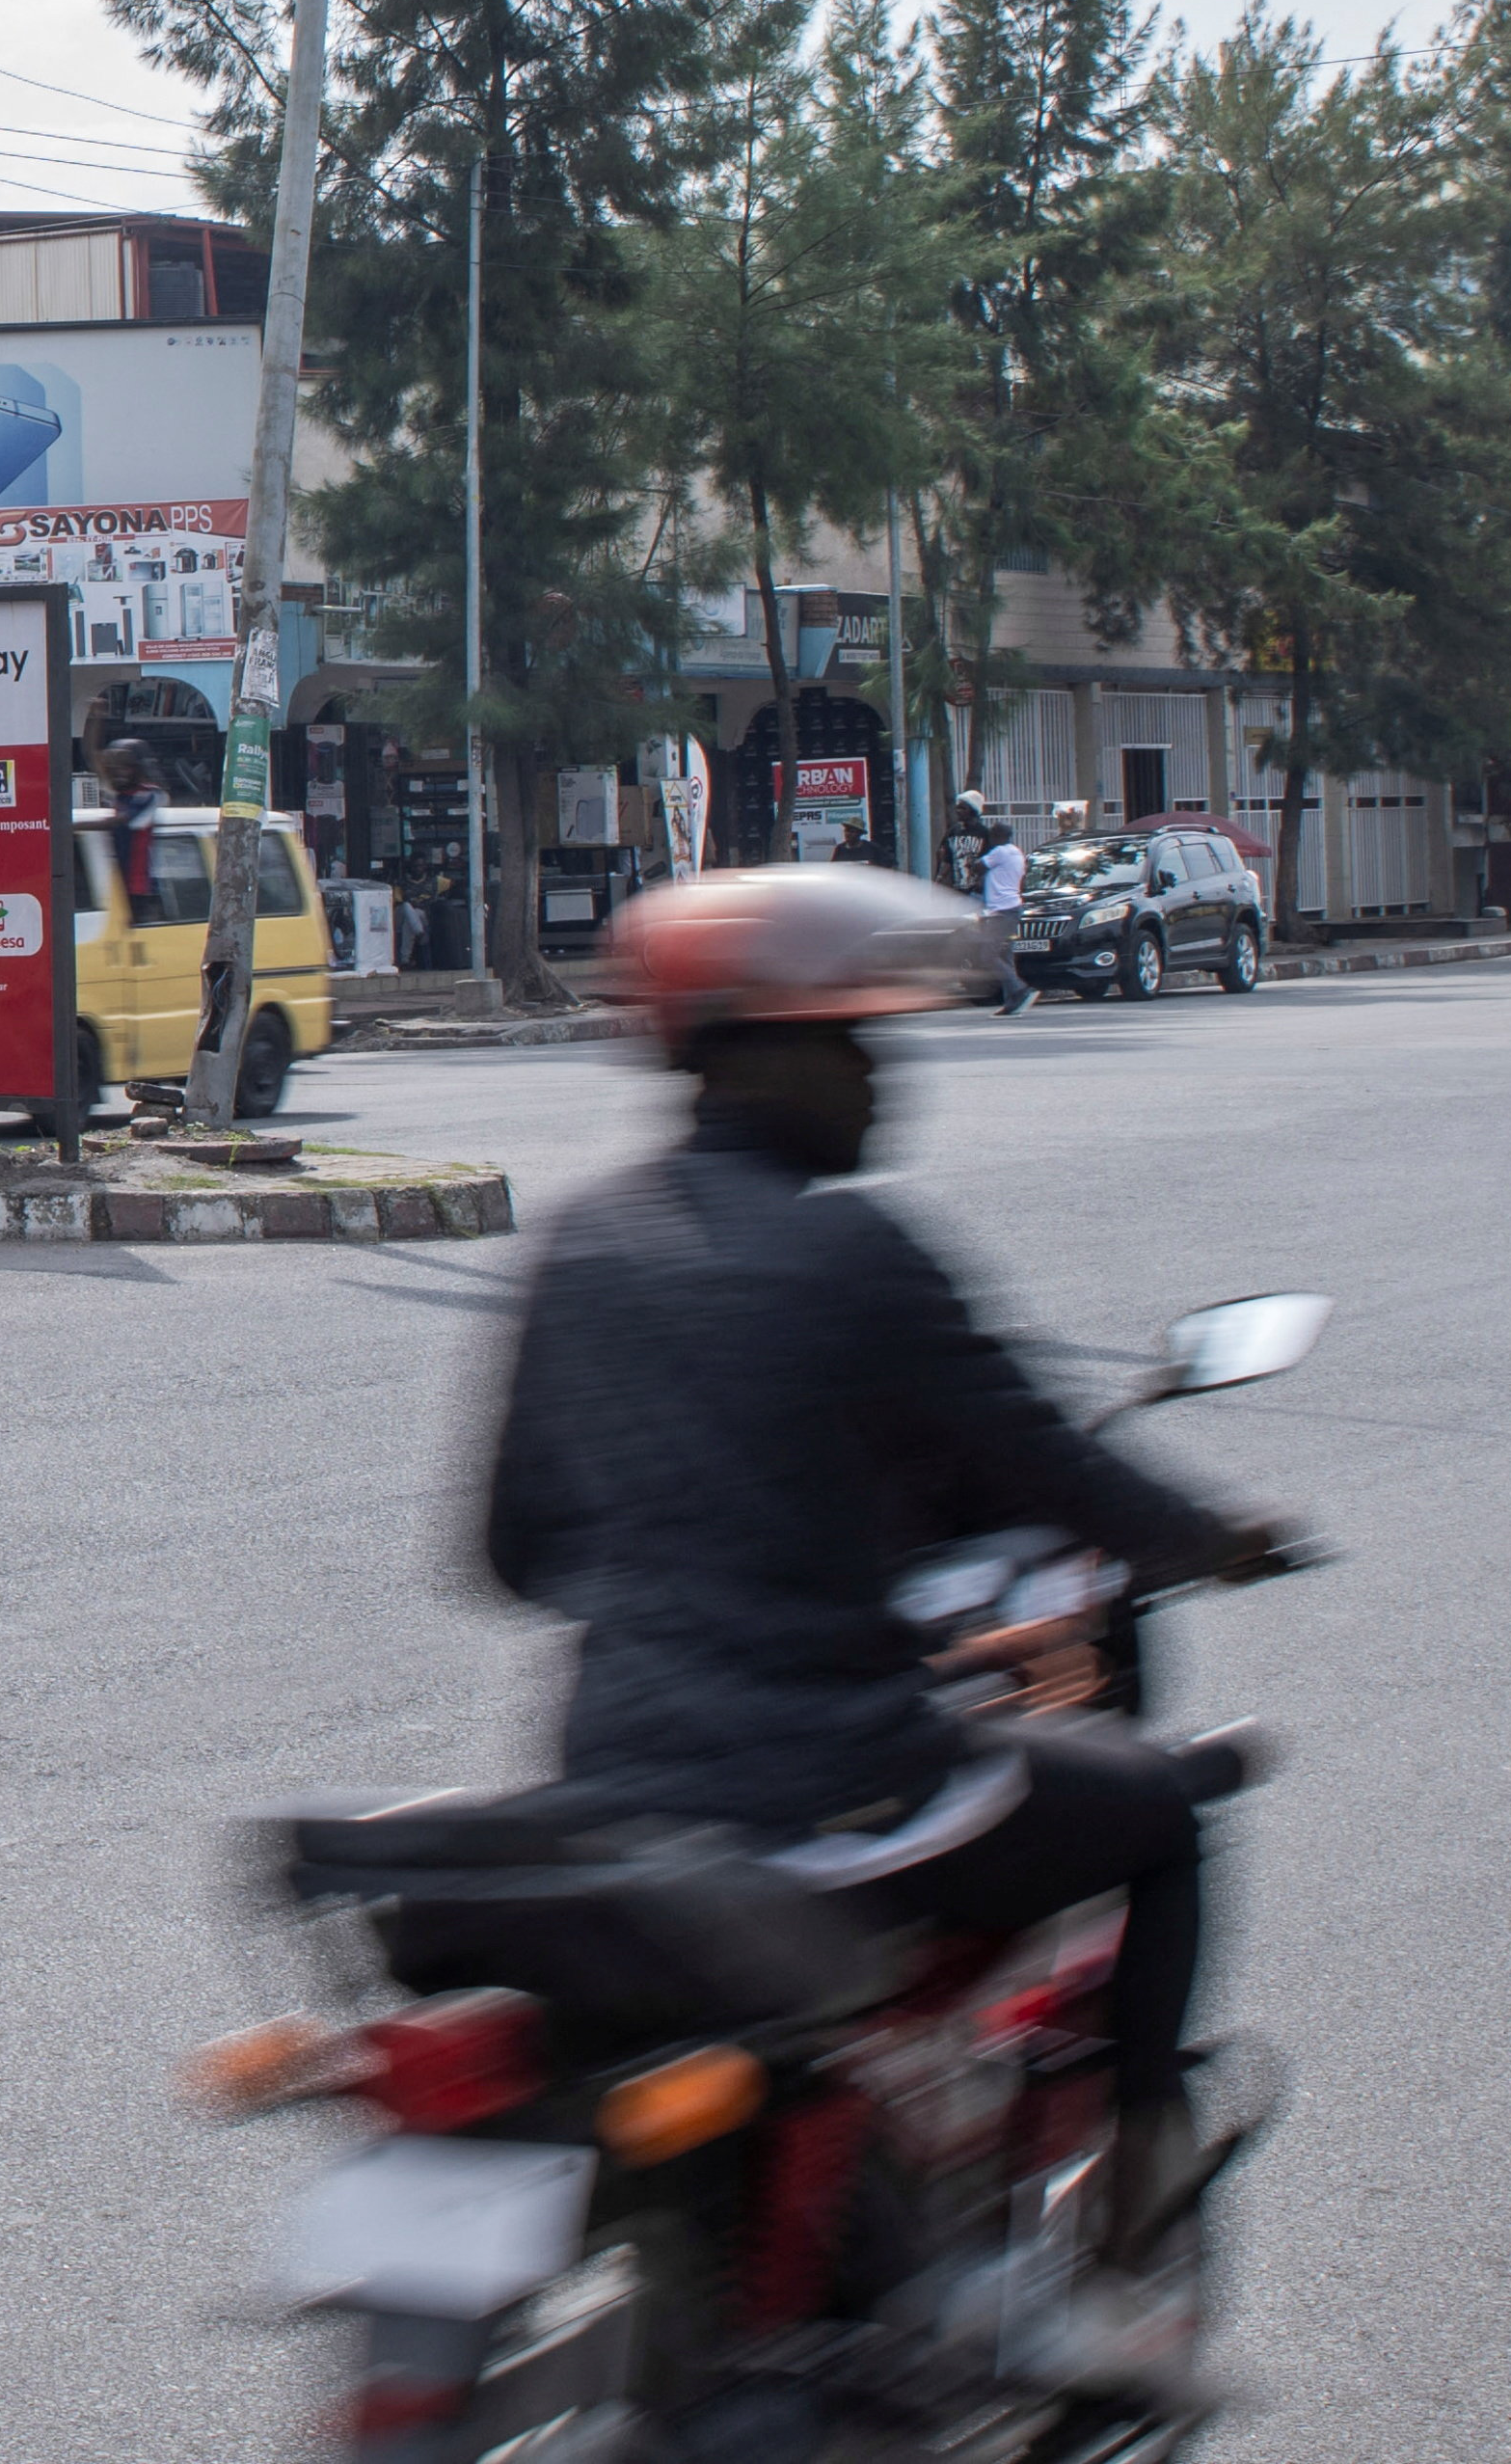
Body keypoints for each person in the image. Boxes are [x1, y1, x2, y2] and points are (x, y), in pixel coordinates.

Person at [485, 863, 1284, 2263]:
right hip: (833, 1783)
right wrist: (1220, 1537)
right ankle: (1149, 2152)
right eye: (847, 1043)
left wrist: (693, 1574)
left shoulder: (584, 1240)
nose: (878, 1078)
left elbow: (512, 1550)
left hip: (610, 1779)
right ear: (754, 1054)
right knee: (1163, 1806)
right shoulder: (853, 1247)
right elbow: (1054, 1468)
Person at [975, 812, 1033, 1015]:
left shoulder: (1000, 852)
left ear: (996, 837)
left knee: (988, 954)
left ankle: (1019, 988)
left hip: (1001, 911)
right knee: (1006, 955)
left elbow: (978, 866)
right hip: (1012, 908)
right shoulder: (1017, 852)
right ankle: (1012, 1002)